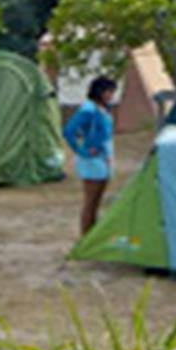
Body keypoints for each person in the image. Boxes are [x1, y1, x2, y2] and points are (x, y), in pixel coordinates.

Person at [63, 75, 118, 237]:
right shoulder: (88, 110)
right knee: (90, 202)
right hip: (92, 160)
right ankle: (85, 236)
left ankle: (91, 236)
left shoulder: (102, 109)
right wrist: (82, 151)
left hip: (103, 158)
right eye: (108, 91)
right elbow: (69, 131)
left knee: (97, 201)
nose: (111, 95)